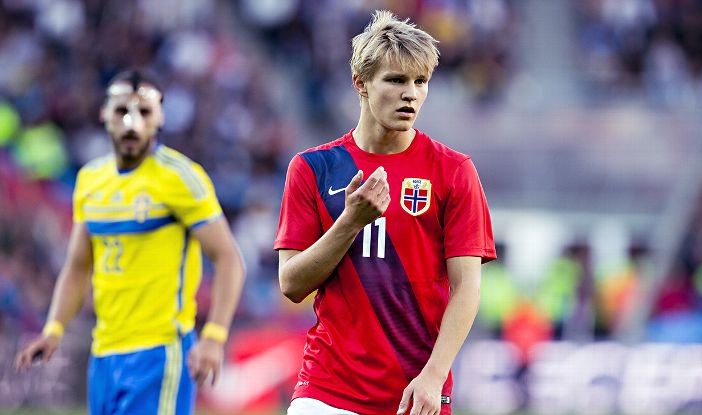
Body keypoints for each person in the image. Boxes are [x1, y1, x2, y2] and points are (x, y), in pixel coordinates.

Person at [274, 10, 496, 415]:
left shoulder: (453, 171)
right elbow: (291, 284)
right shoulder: (312, 168)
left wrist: (434, 376)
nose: (411, 93)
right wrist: (350, 222)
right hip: (327, 389)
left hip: (414, 391)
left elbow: (467, 287)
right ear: (361, 83)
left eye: (420, 82)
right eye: (396, 80)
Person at [15, 69, 246, 415]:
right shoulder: (90, 180)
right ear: (104, 114)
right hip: (104, 355)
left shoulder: (180, 178)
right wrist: (54, 328)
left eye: (144, 112)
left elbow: (229, 259)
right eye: (122, 110)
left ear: (160, 117)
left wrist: (214, 336)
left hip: (160, 353)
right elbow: (78, 266)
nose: (131, 124)